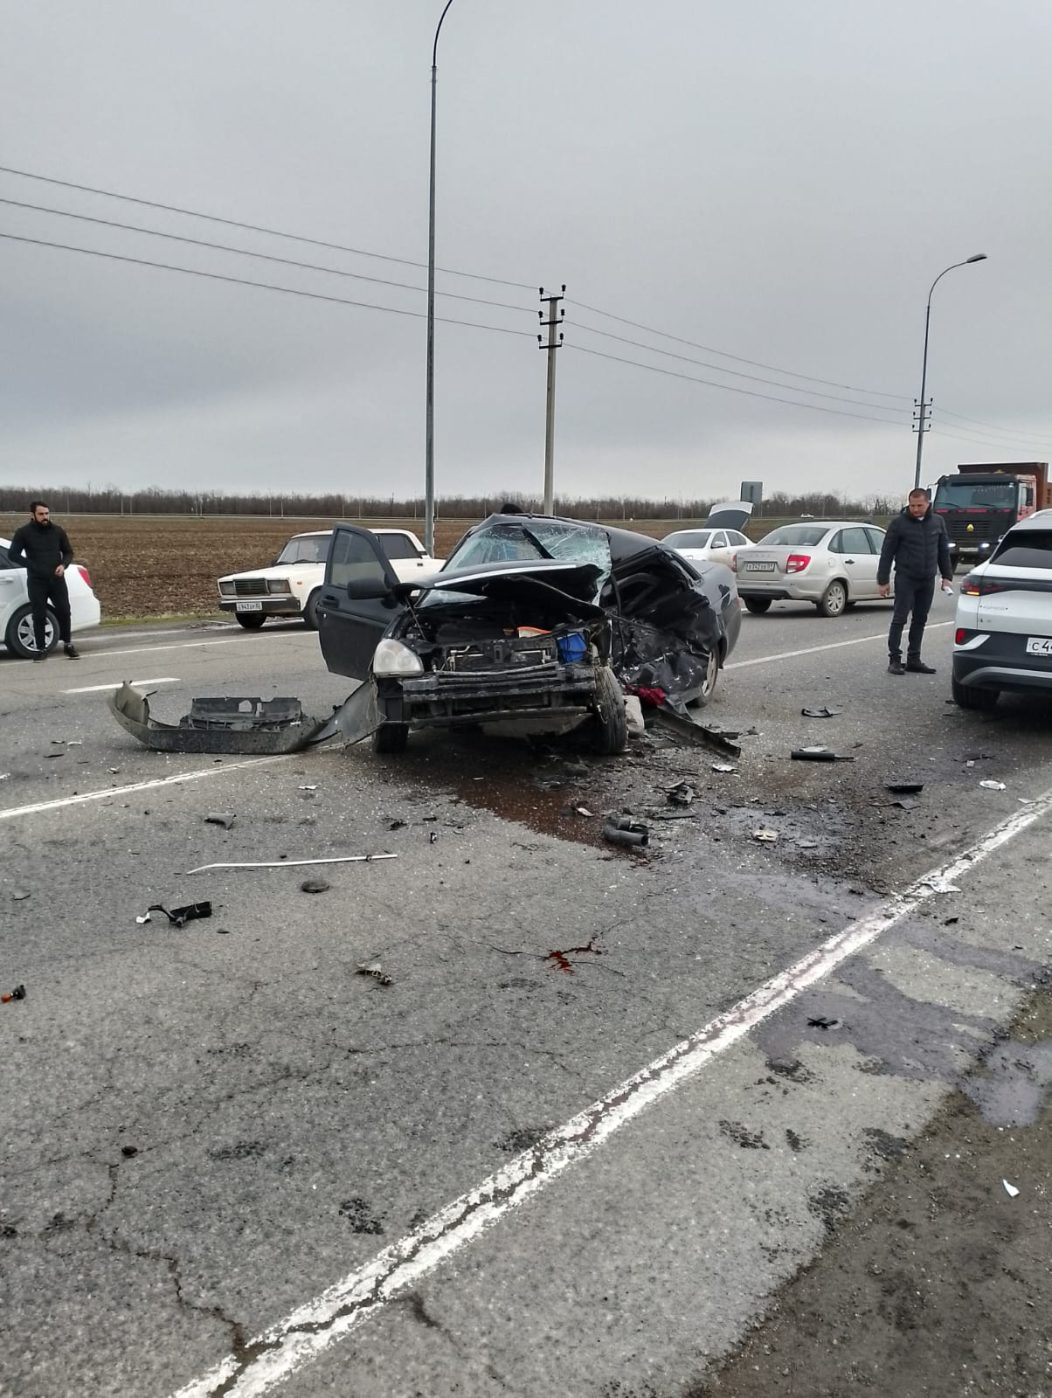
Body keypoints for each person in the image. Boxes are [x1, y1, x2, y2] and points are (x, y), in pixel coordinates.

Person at [877, 487, 953, 676]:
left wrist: (947, 576)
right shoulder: (898, 524)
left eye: (920, 505)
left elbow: (943, 551)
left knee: (920, 619)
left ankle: (914, 659)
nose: (916, 509)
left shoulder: (938, 522)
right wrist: (883, 580)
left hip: (927, 579)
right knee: (900, 618)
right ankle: (894, 659)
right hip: (906, 578)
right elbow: (887, 553)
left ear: (928, 504)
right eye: (912, 505)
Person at [8, 501, 80, 660]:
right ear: (32, 515)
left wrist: (64, 565)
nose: (45, 517)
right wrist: (32, 565)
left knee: (64, 611)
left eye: (47, 513)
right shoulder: (23, 533)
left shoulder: (58, 531)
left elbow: (68, 552)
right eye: (41, 514)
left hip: (57, 579)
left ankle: (68, 644)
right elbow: (13, 554)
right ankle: (40, 649)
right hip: (37, 581)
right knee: (39, 615)